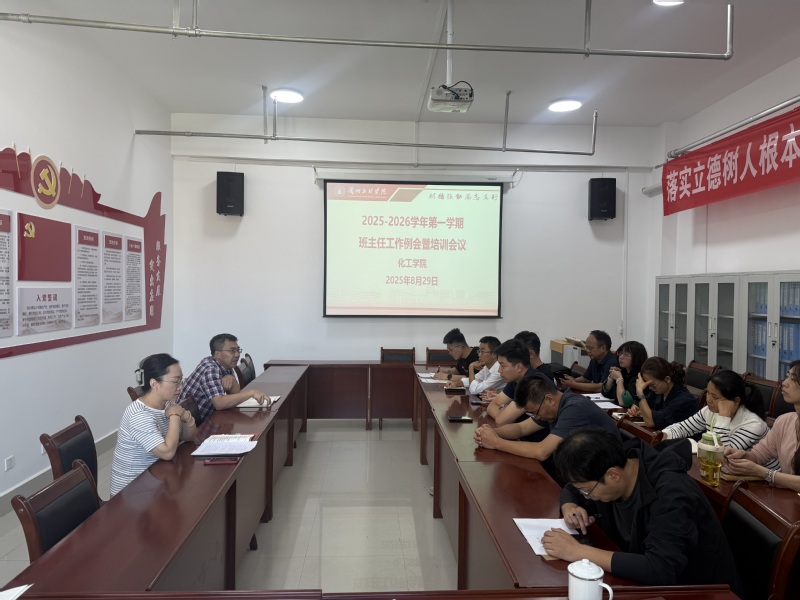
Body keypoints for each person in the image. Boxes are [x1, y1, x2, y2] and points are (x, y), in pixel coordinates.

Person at [543, 428, 744, 596]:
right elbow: (573, 488)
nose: (586, 497)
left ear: (613, 475)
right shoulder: (618, 462)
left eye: (587, 491)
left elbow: (660, 569)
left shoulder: (672, 493)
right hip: (642, 583)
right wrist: (570, 506)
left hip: (700, 591)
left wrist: (577, 552)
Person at [474, 377, 621, 461]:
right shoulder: (554, 405)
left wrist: (496, 442)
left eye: (535, 412)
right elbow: (521, 428)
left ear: (549, 399)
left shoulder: (575, 409)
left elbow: (542, 451)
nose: (537, 416)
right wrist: (490, 432)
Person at [110, 353, 196, 496]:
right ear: (154, 384)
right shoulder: (138, 415)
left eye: (182, 381)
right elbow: (168, 453)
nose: (180, 387)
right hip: (131, 492)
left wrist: (188, 419)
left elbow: (188, 437)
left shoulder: (166, 404)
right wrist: (175, 416)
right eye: (175, 382)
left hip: (156, 477)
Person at [725, 360, 800, 491]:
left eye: (793, 379)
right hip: (786, 498)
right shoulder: (784, 421)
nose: (784, 383)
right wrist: (743, 455)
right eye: (787, 376)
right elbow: (759, 455)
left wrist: (764, 473)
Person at [661, 369, 768, 451]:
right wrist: (664, 435)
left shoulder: (753, 425)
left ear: (736, 401)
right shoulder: (709, 411)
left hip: (757, 473)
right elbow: (683, 428)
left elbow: (724, 454)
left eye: (715, 397)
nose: (708, 400)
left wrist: (723, 417)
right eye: (708, 393)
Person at [180, 333, 268, 422]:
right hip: (195, 426)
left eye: (238, 350)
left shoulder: (225, 365)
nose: (237, 354)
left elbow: (236, 394)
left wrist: (232, 379)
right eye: (232, 351)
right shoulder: (210, 369)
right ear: (217, 354)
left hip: (208, 419)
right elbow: (219, 403)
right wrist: (251, 393)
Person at [485, 339, 550, 426]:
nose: (499, 370)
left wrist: (504, 414)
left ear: (519, 367)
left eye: (502, 365)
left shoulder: (533, 383)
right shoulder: (516, 378)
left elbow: (501, 421)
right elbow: (492, 406)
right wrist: (503, 415)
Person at [626, 357, 697, 429]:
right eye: (648, 385)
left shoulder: (683, 400)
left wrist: (640, 392)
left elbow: (651, 422)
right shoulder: (659, 392)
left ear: (667, 379)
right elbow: (643, 402)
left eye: (653, 385)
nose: (650, 388)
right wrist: (636, 407)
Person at [601, 341, 648, 408]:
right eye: (620, 353)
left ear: (637, 357)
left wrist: (619, 379)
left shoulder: (640, 376)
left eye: (626, 355)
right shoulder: (623, 371)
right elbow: (606, 394)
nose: (621, 357)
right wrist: (611, 377)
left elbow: (623, 402)